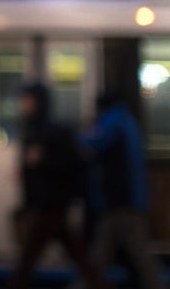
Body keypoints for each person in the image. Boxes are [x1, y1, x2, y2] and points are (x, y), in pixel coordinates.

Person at [7, 82, 109, 289]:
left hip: (53, 203)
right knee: (70, 252)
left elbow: (71, 162)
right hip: (46, 204)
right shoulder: (31, 129)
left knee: (32, 255)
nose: (24, 104)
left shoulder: (54, 131)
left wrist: (43, 160)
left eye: (28, 100)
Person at [82, 90, 170, 289]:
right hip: (129, 200)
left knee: (124, 251)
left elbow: (92, 143)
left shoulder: (112, 122)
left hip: (121, 201)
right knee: (120, 250)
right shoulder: (126, 121)